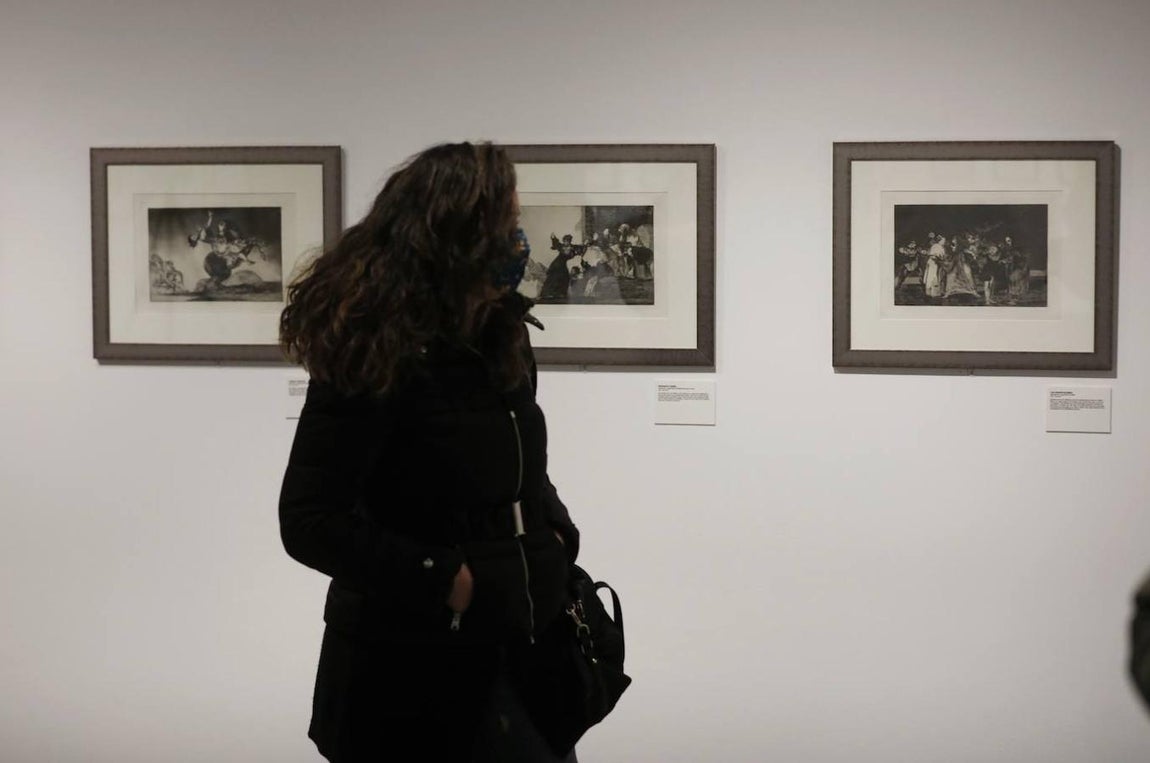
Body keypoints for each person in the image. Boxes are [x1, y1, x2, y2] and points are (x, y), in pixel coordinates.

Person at [278, 141, 581, 762]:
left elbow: (524, 470)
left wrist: (555, 535)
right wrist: (445, 579)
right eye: (506, 224)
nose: (519, 240)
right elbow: (310, 521)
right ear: (455, 233)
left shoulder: (503, 334)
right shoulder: (375, 347)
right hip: (408, 667)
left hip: (520, 640)